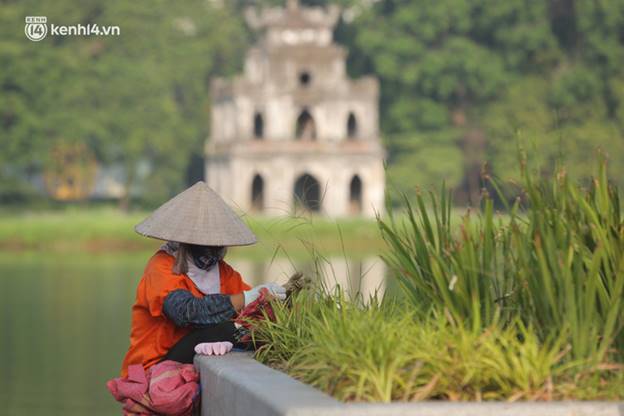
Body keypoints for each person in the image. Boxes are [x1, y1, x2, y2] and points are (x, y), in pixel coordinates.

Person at [118, 181, 285, 378]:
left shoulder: (223, 272)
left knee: (249, 327)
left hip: (189, 354)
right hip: (153, 365)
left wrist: (269, 299)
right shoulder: (161, 267)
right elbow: (186, 312)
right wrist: (247, 298)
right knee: (226, 329)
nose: (213, 251)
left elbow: (251, 313)